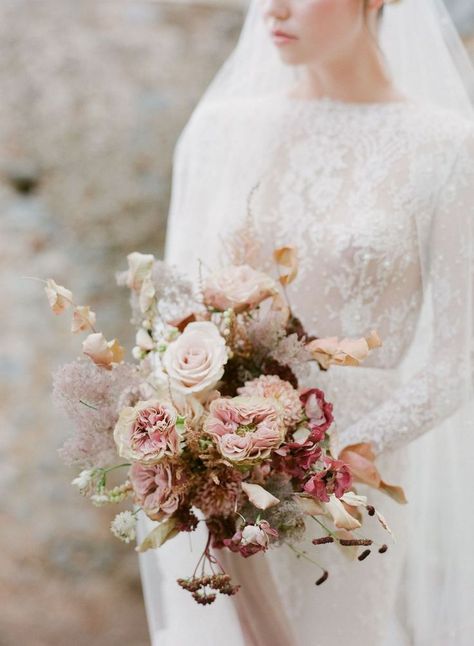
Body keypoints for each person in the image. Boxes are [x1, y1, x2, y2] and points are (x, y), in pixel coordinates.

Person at [137, 1, 474, 644]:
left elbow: (459, 362)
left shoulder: (447, 147)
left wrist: (336, 460)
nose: (275, 8)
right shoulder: (219, 129)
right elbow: (171, 317)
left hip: (348, 495)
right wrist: (197, 449)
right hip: (220, 476)